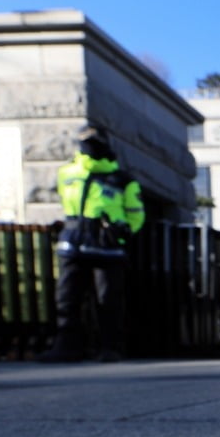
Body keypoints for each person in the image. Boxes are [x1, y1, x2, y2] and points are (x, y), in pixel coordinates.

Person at [39, 125, 144, 363]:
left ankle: (110, 347)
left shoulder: (122, 179)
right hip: (74, 239)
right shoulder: (67, 172)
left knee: (108, 299)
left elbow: (136, 213)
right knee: (67, 297)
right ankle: (67, 346)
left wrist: (123, 232)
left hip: (107, 245)